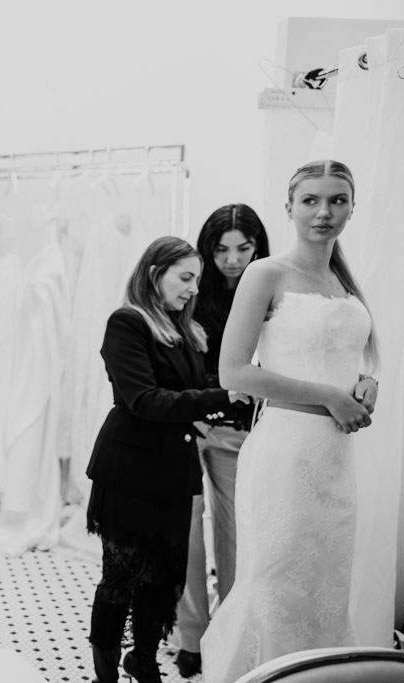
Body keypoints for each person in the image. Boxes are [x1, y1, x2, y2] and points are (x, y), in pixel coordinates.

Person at [199, 160, 379, 682]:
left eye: (338, 200)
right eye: (311, 200)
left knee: (326, 584)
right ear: (290, 208)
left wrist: (364, 386)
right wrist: (329, 396)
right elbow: (233, 371)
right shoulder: (266, 273)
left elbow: (340, 355)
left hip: (335, 455)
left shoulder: (343, 279)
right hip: (287, 451)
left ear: (351, 206)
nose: (324, 212)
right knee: (277, 584)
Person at [85, 236, 247, 683]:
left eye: (197, 279)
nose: (195, 288)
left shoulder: (187, 331)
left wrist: (234, 401)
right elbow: (144, 400)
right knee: (120, 576)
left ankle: (143, 659)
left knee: (162, 576)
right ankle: (105, 673)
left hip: (175, 469)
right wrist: (218, 398)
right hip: (130, 470)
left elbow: (190, 396)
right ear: (155, 273)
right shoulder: (127, 322)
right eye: (186, 277)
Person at [171, 205, 270, 677]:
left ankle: (228, 632)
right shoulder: (193, 294)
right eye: (221, 249)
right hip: (189, 427)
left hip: (239, 429)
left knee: (234, 532)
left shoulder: (271, 290)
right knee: (186, 531)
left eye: (243, 248)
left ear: (257, 247)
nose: (232, 259)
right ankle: (190, 635)